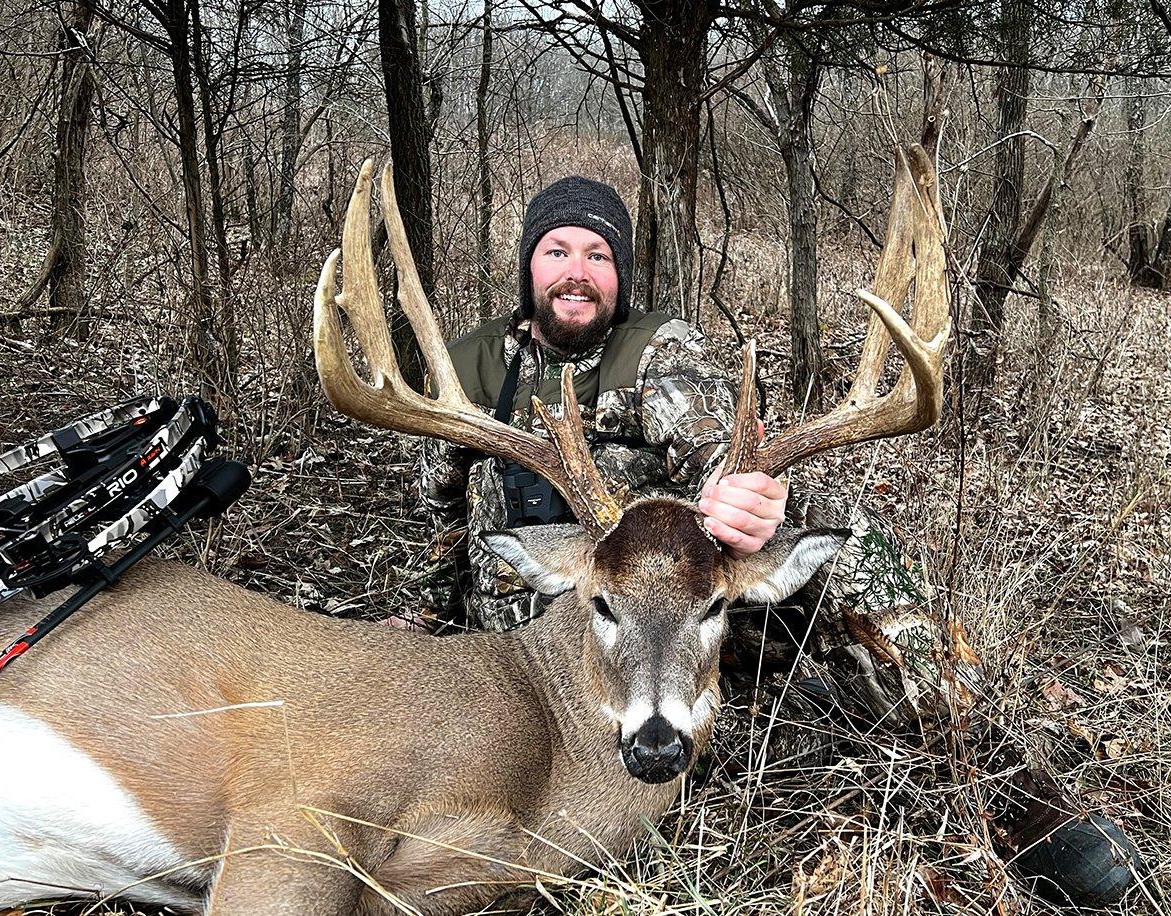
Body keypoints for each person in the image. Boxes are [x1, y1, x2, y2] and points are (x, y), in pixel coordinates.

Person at [418, 177, 1144, 906]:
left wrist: (743, 496)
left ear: (621, 273)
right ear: (529, 264)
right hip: (529, 647)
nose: (577, 271)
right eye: (557, 250)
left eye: (598, 255)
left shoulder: (659, 352)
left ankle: (1004, 778)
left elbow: (712, 443)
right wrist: (425, 620)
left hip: (681, 617)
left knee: (844, 540)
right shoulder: (472, 364)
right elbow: (439, 516)